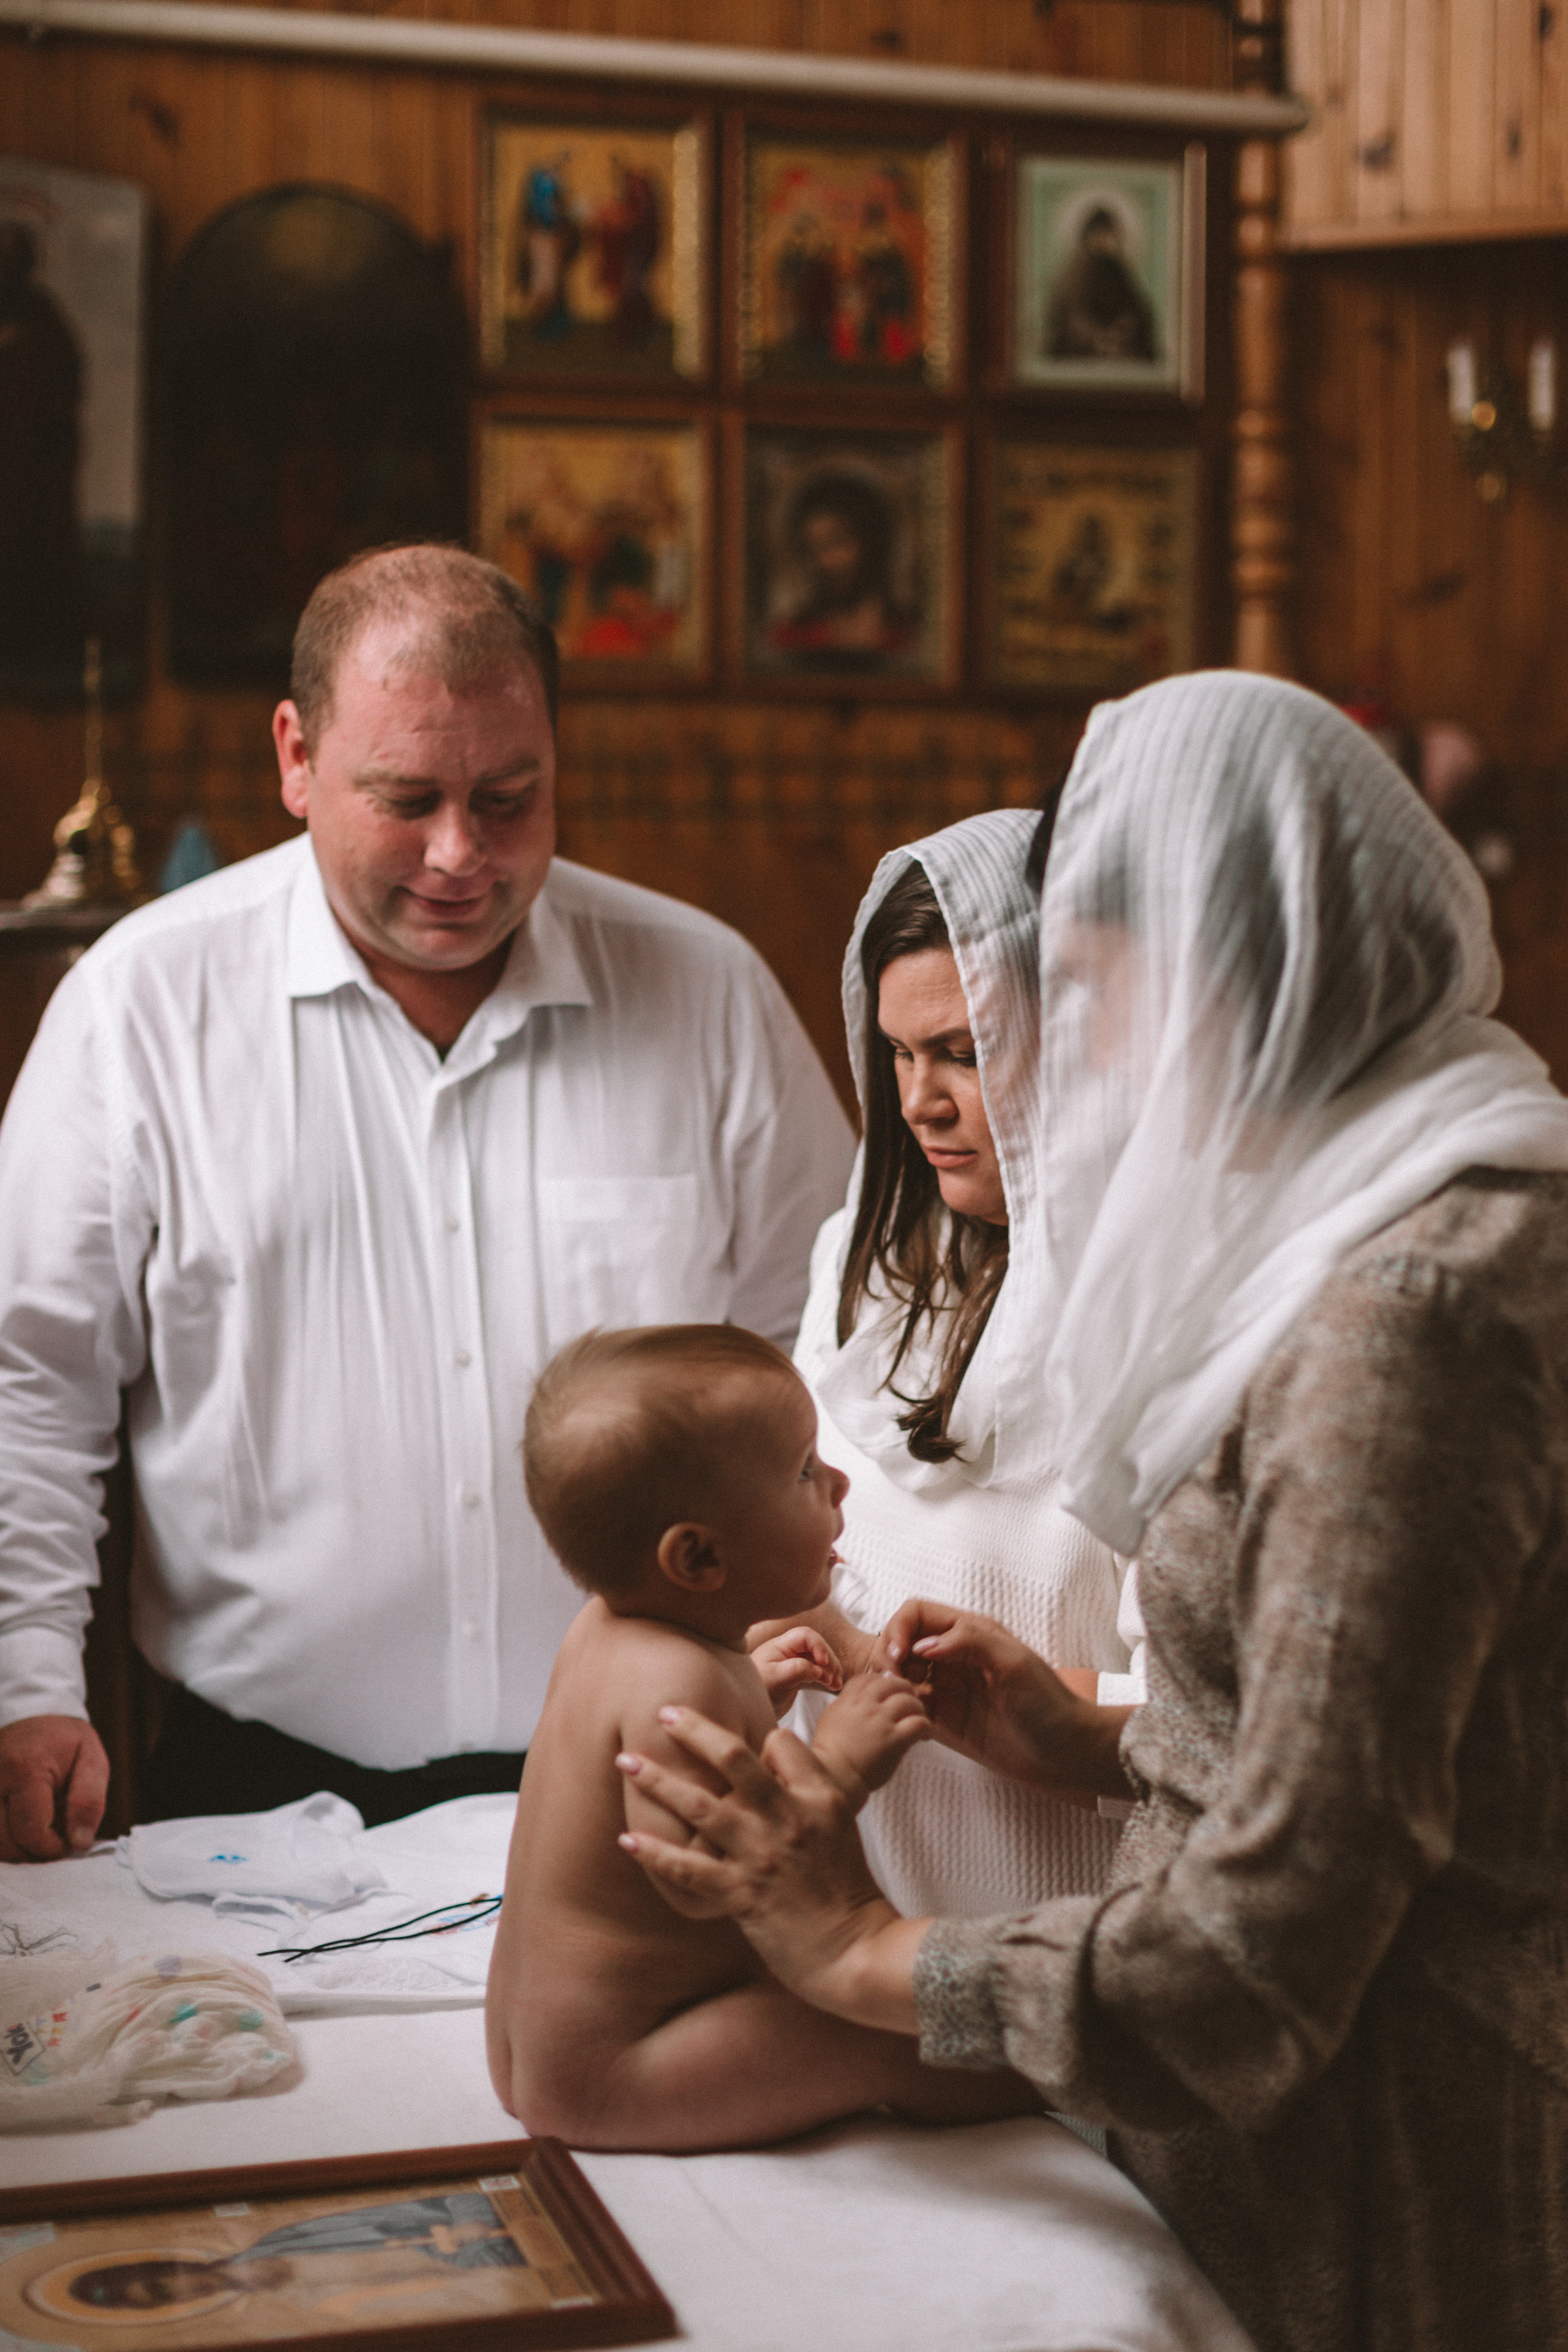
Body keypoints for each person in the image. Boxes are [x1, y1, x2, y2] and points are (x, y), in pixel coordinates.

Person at [612, 671, 1568, 2352]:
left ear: (1253, 982)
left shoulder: (1411, 1303)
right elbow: (1376, 1750)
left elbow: (1261, 1948)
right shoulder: (1355, 1237)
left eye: (1094, 1004)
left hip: (1388, 2173)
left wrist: (855, 1956)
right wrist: (1075, 1737)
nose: (1082, 1066)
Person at [0, 543, 853, 1858]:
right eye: (405, 799)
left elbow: (829, 1355)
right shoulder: (142, 1008)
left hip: (662, 1766)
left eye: (508, 798)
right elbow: (28, 1382)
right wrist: (26, 1685)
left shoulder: (705, 992)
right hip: (248, 1787)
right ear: (295, 756)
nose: (460, 854)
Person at [486, 1321, 1036, 2150]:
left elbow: (654, 1795)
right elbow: (705, 1881)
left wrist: (753, 1706)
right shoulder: (680, 1683)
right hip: (622, 2066)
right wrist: (838, 1768)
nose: (840, 1483)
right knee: (882, 2032)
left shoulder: (610, 1636)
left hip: (545, 2049)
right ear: (700, 1559)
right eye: (806, 1471)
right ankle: (1048, 2103)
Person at [779, 810, 1139, 1921]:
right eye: (897, 1051)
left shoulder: (1168, 1317)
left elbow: (1244, 1744)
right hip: (853, 1933)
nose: (918, 1102)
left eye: (965, 1054)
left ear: (1088, 1038)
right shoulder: (867, 1263)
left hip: (1063, 1968)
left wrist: (1045, 1716)